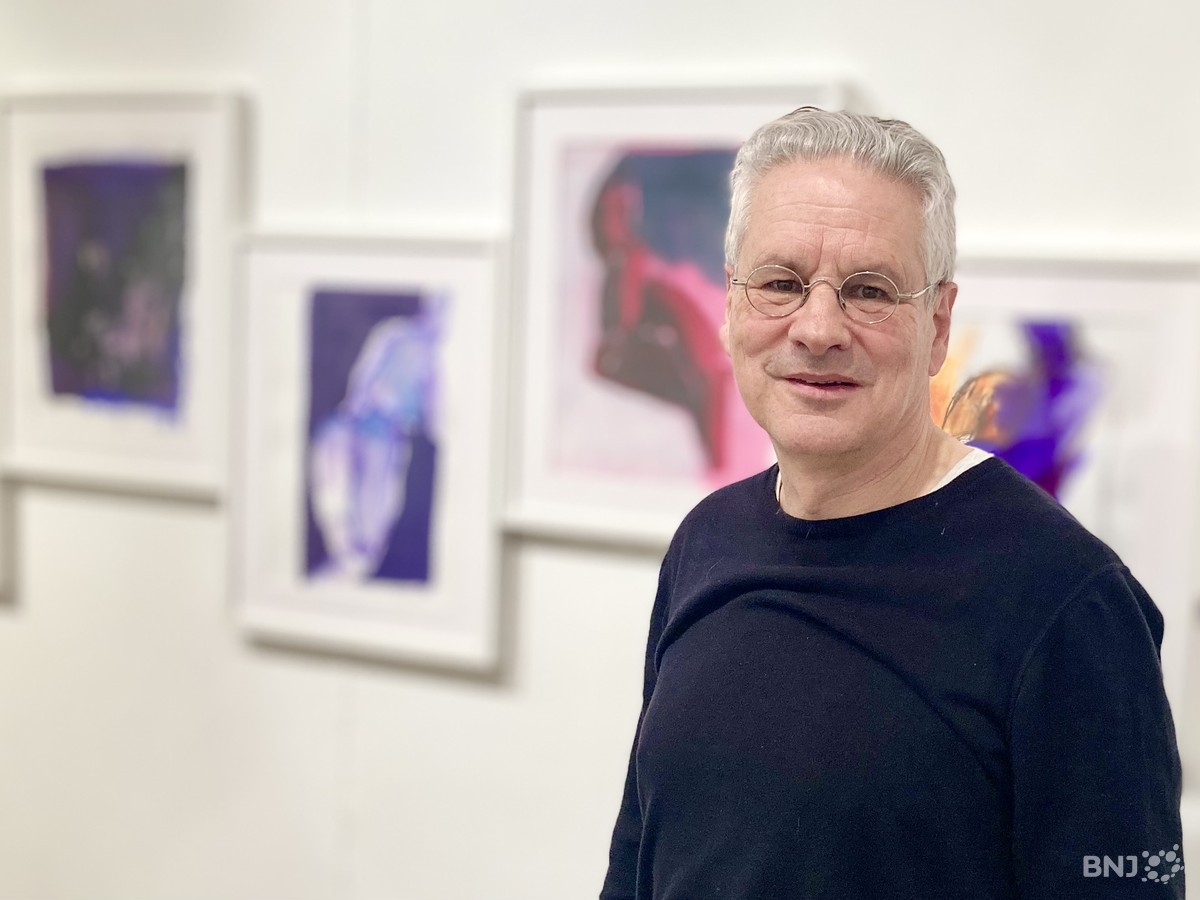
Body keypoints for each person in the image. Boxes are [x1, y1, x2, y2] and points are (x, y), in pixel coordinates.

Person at [599, 107, 1185, 899]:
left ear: (938, 324)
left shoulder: (1067, 601)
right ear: (734, 302)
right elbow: (637, 857)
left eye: (869, 291)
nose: (818, 328)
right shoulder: (708, 540)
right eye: (781, 284)